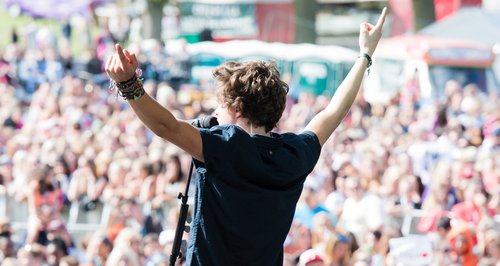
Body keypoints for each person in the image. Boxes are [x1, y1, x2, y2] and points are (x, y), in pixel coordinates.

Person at [105, 7, 387, 265]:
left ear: (237, 108)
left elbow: (167, 127)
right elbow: (334, 111)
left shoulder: (227, 146)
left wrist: (128, 84)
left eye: (221, 105)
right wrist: (364, 56)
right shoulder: (294, 154)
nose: (215, 112)